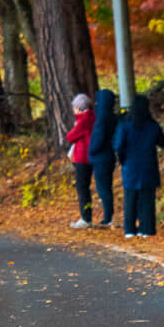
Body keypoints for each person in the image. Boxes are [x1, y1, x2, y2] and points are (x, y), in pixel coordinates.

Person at [114, 93, 164, 238]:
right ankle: (147, 228)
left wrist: (122, 160)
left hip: (131, 166)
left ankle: (130, 229)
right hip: (148, 165)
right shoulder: (153, 126)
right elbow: (162, 142)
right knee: (147, 199)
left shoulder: (125, 126)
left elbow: (118, 146)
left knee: (130, 198)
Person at [88, 87, 118, 228]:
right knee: (107, 187)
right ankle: (108, 215)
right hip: (109, 156)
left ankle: (108, 217)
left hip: (100, 158)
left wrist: (91, 151)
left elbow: (97, 140)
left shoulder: (101, 119)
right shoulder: (113, 117)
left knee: (103, 188)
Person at [65, 93, 95, 228]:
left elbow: (70, 136)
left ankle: (86, 217)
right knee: (84, 186)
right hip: (89, 156)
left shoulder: (84, 120)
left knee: (82, 187)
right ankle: (86, 216)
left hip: (83, 157)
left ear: (79, 107)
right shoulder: (93, 117)